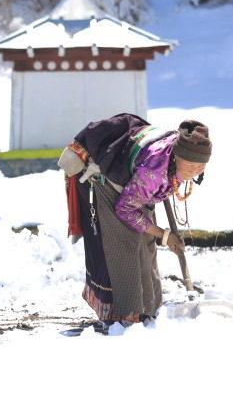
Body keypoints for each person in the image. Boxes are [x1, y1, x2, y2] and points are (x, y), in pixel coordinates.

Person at [58, 114, 211, 330]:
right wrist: (165, 236)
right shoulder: (154, 172)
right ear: (177, 157)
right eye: (192, 165)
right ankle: (122, 317)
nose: (197, 170)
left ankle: (149, 310)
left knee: (147, 246)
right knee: (125, 249)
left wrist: (159, 233)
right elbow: (126, 209)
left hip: (134, 183)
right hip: (107, 184)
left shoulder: (177, 150)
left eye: (201, 166)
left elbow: (155, 188)